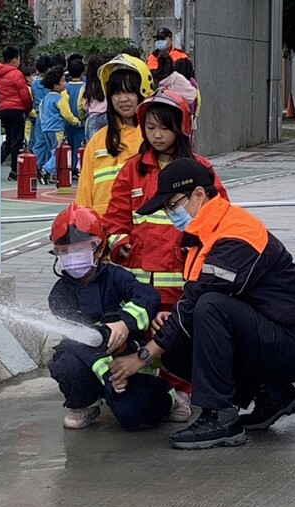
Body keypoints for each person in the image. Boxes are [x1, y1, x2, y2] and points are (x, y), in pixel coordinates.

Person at [109, 157, 295, 450]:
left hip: (288, 343)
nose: (171, 214)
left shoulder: (236, 231)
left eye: (173, 205)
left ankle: (220, 417)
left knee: (210, 306)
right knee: (175, 349)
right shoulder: (204, 235)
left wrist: (142, 356)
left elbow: (202, 300)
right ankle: (271, 394)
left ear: (199, 194)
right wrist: (167, 330)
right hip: (269, 339)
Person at [102, 88, 228, 420]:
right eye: (151, 127)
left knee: (180, 334)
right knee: (141, 333)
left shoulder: (201, 170)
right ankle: (146, 387)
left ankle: (182, 390)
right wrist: (119, 244)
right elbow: (113, 219)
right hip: (140, 284)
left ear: (181, 128)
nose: (157, 135)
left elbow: (221, 217)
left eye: (165, 128)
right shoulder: (132, 171)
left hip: (183, 280)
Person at [48, 203, 176, 430]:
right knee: (66, 363)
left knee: (131, 416)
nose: (73, 257)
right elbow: (79, 341)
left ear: (99, 248)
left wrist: (125, 324)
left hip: (130, 362)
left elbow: (148, 296)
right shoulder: (59, 295)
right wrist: (108, 374)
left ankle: (165, 396)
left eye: (82, 248)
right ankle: (85, 403)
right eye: (66, 251)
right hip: (95, 363)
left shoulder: (116, 277)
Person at [76, 53, 154, 216]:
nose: (123, 99)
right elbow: (83, 196)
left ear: (143, 92)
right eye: (116, 93)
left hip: (146, 233)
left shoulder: (155, 139)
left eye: (130, 92)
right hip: (105, 231)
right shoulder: (98, 141)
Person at [39, 67, 82, 183]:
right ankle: (45, 170)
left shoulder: (45, 99)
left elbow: (41, 112)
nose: (65, 83)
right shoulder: (60, 99)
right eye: (63, 81)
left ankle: (53, 174)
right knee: (58, 152)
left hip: (45, 128)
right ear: (56, 85)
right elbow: (67, 114)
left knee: (52, 150)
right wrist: (77, 122)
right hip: (57, 128)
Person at [0, 46, 33, 181]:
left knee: (9, 140)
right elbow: (24, 95)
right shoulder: (16, 74)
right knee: (17, 141)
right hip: (16, 109)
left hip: (3, 109)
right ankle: (14, 170)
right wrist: (29, 108)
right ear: (15, 59)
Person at [65, 59, 86, 177]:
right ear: (83, 72)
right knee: (79, 145)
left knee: (69, 145)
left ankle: (68, 167)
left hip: (68, 121)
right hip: (81, 121)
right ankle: (76, 168)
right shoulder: (85, 87)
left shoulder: (66, 87)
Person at [31, 55, 52, 172]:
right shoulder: (49, 83)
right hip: (49, 114)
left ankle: (34, 166)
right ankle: (47, 167)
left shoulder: (34, 84)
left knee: (39, 142)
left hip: (39, 114)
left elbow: (33, 99)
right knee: (51, 144)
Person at [82, 54, 109, 141]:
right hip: (107, 115)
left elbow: (85, 106)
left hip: (94, 117)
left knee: (93, 143)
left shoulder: (88, 86)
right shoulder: (106, 84)